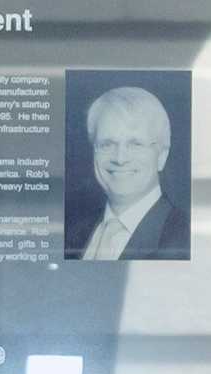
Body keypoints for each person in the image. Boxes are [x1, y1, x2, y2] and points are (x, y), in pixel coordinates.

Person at [66, 85, 186, 261]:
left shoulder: (183, 239)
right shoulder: (73, 233)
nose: (120, 158)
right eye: (107, 144)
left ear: (161, 156)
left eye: (135, 144)